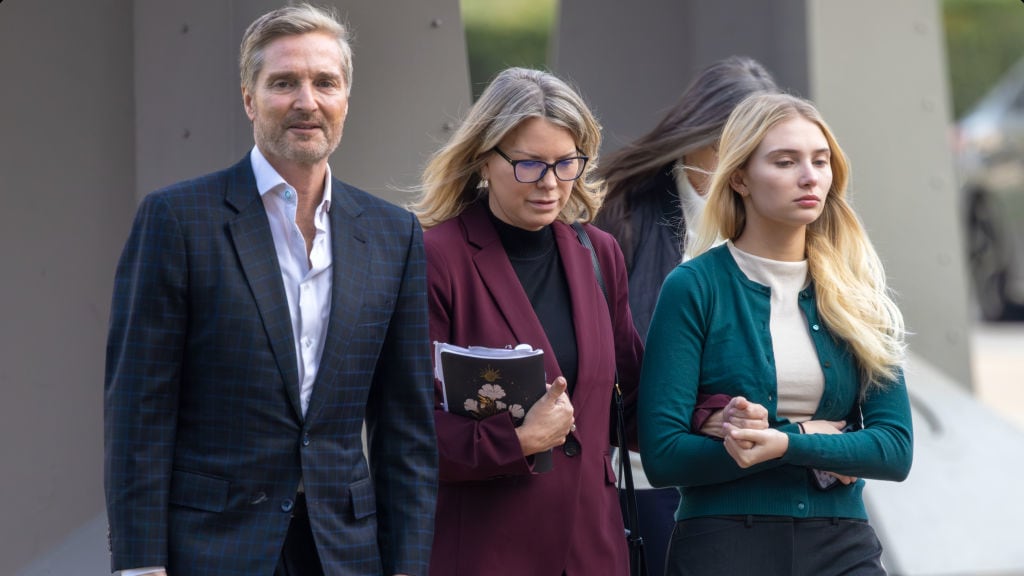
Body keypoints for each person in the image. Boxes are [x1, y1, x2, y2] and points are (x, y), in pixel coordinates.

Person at [104, 5, 437, 576]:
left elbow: (405, 427)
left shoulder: (393, 233)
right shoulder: (177, 219)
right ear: (249, 99)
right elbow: (139, 410)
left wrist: (406, 566)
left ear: (346, 100)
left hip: (346, 553)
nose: (307, 101)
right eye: (284, 82)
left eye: (324, 82)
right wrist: (139, 564)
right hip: (212, 548)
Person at [638, 92, 914, 575]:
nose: (809, 176)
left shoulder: (858, 293)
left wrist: (782, 443)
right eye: (786, 162)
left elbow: (893, 449)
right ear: (740, 177)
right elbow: (664, 456)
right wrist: (808, 436)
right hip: (723, 543)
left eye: (820, 161)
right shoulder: (694, 287)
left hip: (842, 543)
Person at [411, 67, 644, 575]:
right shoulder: (436, 258)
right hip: (485, 552)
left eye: (567, 164)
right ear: (483, 159)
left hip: (592, 552)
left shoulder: (599, 253)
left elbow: (634, 400)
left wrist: (718, 413)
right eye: (529, 165)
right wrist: (515, 442)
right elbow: (409, 429)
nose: (551, 184)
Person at [594, 55, 779, 571]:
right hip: (653, 479)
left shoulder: (779, 224)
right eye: (736, 145)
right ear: (699, 132)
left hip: (761, 482)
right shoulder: (623, 212)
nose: (745, 165)